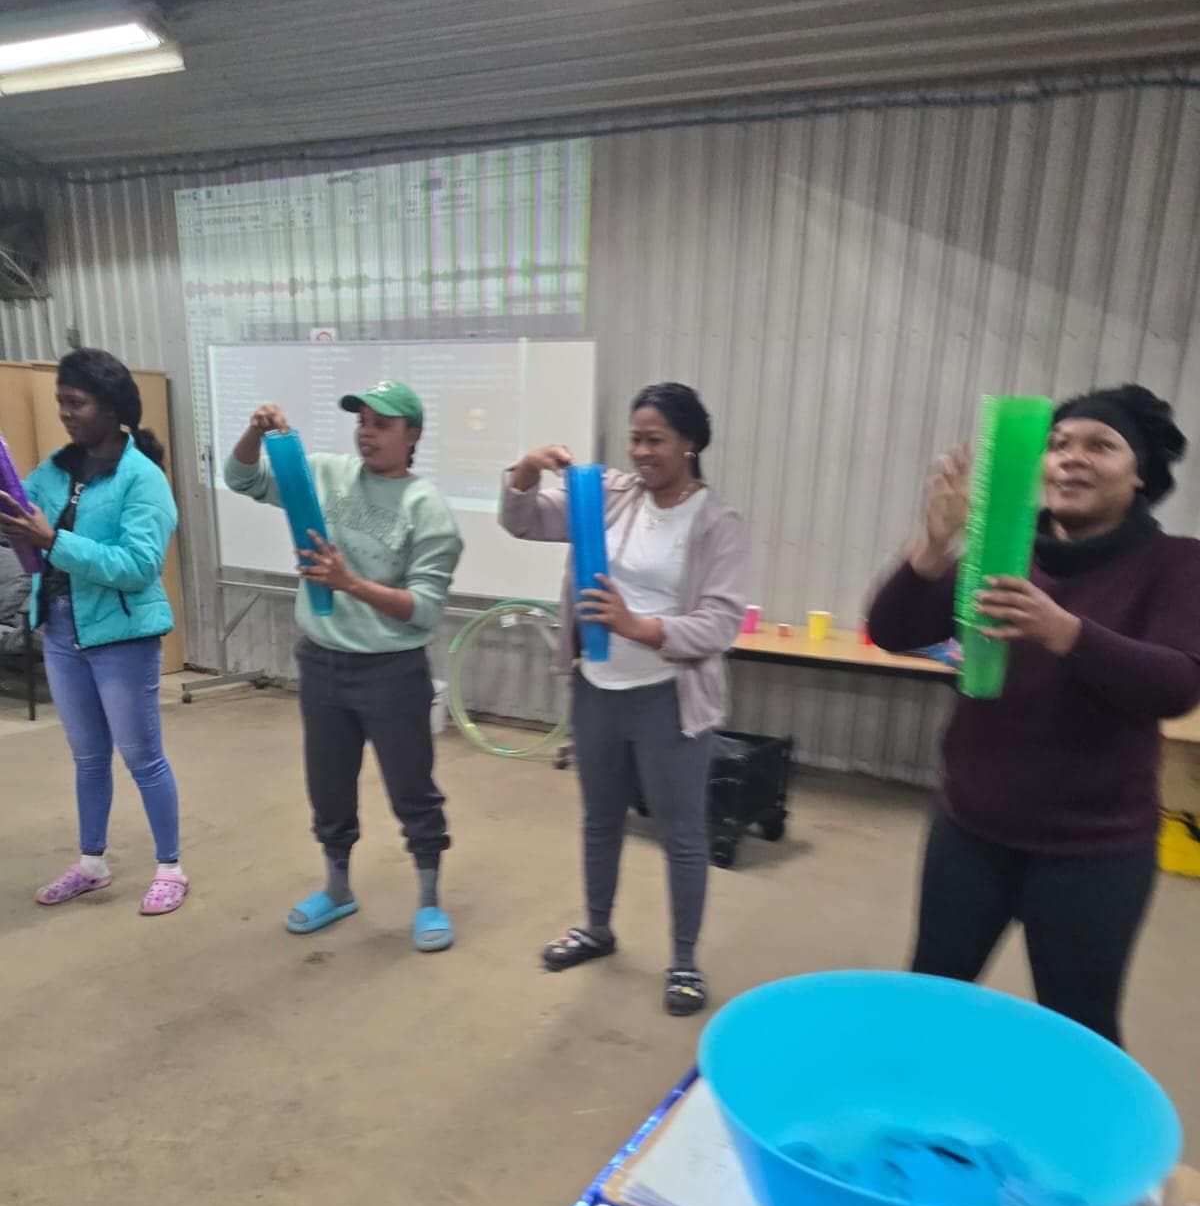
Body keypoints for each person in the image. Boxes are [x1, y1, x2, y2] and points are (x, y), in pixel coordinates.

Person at [868, 384, 1200, 1045]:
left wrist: (1066, 632)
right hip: (971, 830)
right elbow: (892, 629)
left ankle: (1076, 1146)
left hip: (1093, 851)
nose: (1071, 458)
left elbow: (1177, 685)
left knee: (1077, 1028)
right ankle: (908, 1129)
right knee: (930, 994)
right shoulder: (1003, 550)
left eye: (1100, 445)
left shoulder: (1177, 563)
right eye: (1058, 444)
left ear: (1141, 474)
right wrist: (933, 549)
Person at [502, 382, 748, 1015]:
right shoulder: (608, 495)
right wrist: (526, 470)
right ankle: (597, 927)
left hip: (667, 697)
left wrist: (639, 626)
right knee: (599, 817)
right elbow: (524, 518)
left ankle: (685, 961)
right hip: (598, 688)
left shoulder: (716, 523)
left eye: (655, 440)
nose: (641, 452)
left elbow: (721, 623)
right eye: (634, 438)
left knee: (683, 832)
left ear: (691, 442)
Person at [225, 381, 462, 950]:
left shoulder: (428, 510)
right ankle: (337, 889)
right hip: (322, 662)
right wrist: (256, 433)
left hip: (391, 672)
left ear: (413, 437)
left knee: (412, 789)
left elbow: (423, 609)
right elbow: (243, 479)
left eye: (382, 423)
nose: (367, 432)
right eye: (362, 421)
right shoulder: (325, 474)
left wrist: (349, 583)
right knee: (327, 785)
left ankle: (429, 900)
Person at [0, 348, 186, 915]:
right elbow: (21, 521)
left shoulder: (142, 480)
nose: (65, 413)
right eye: (61, 401)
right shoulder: (56, 470)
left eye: (76, 402)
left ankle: (170, 867)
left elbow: (137, 565)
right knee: (87, 759)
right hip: (61, 632)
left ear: (111, 407)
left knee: (142, 757)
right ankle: (92, 863)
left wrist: (52, 539)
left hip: (121, 639)